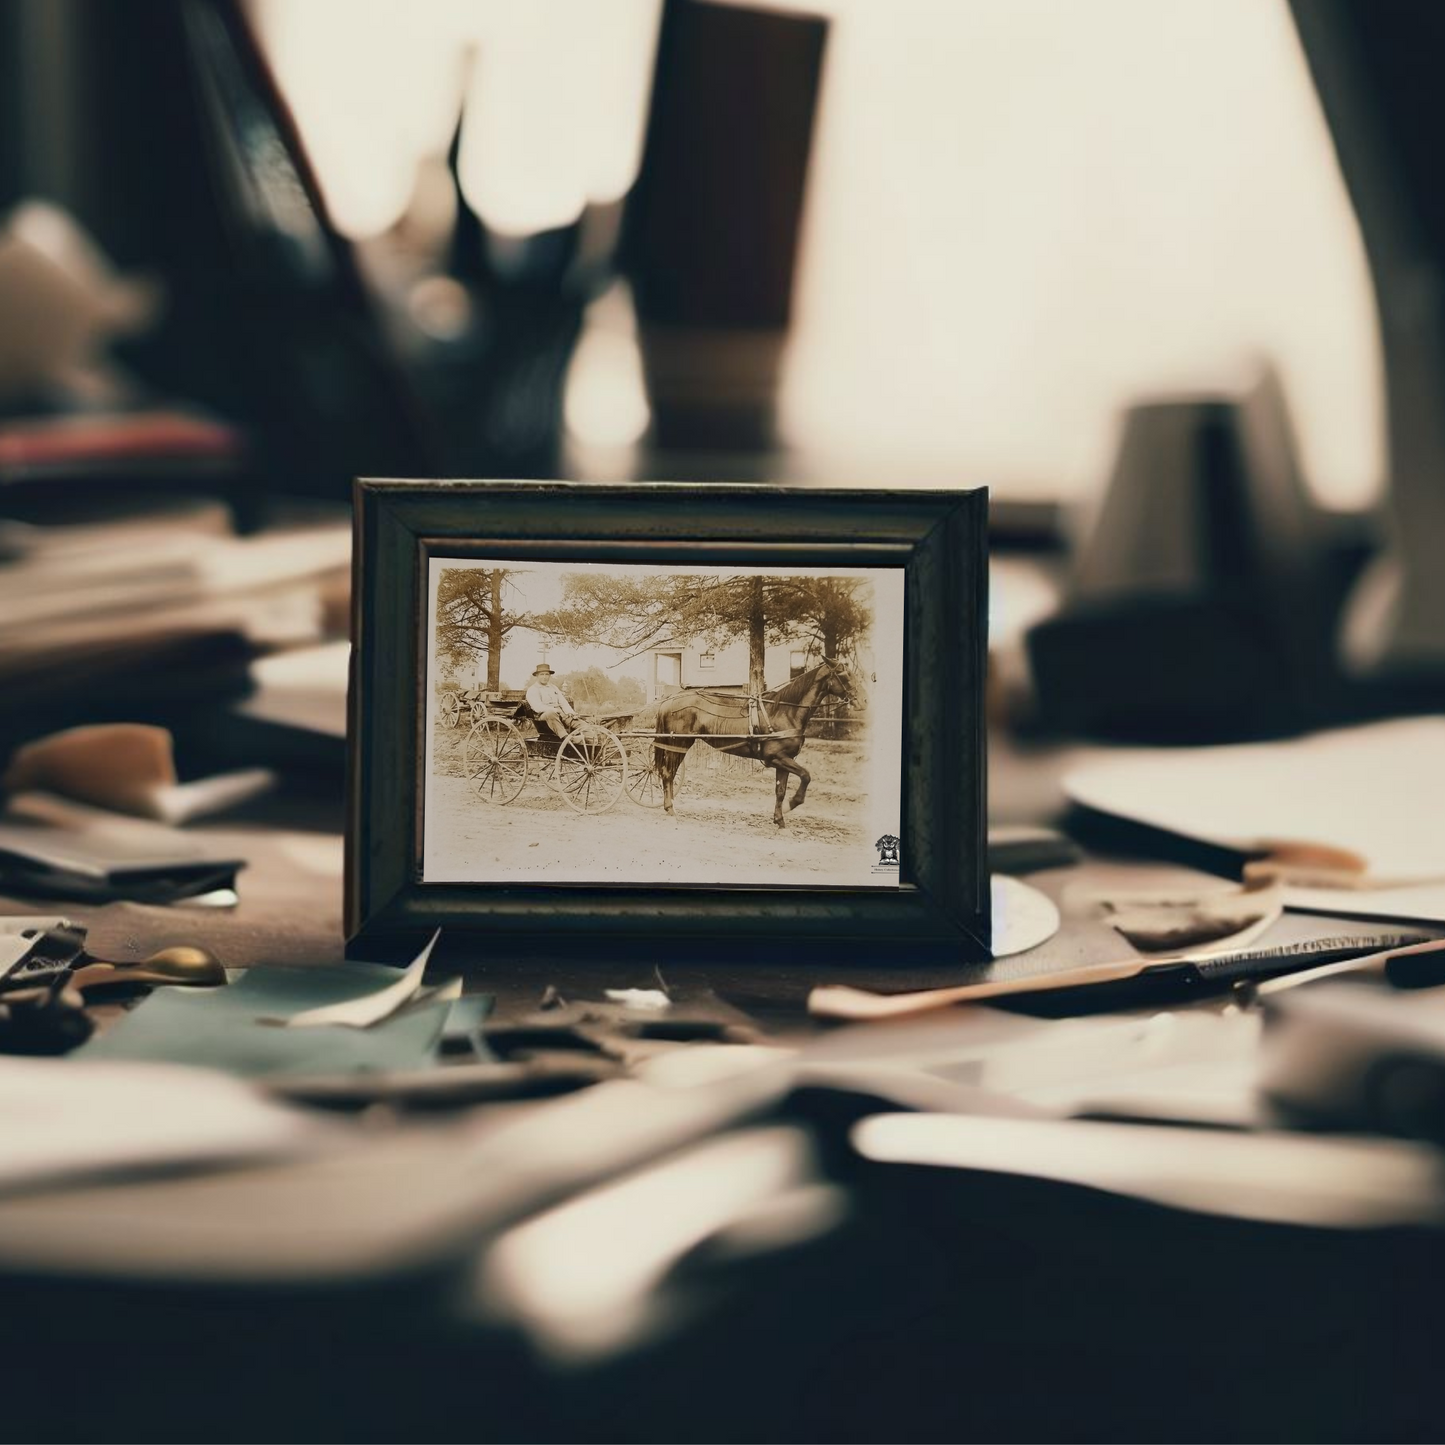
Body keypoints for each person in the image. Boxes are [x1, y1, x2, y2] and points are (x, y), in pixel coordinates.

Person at [525, 663, 580, 739]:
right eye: (542, 674)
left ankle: (591, 739)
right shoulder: (533, 690)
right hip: (544, 718)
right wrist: (556, 710)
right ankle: (566, 738)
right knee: (550, 713)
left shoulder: (553, 688)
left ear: (549, 676)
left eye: (547, 674)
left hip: (561, 715)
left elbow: (563, 702)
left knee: (578, 721)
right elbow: (538, 707)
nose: (544, 677)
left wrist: (571, 713)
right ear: (537, 675)